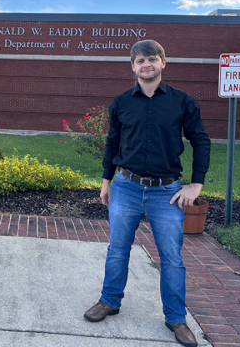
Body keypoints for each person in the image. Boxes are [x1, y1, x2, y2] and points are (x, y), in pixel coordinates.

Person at [84, 40, 211, 347]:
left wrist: (196, 184)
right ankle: (109, 301)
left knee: (171, 258)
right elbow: (112, 144)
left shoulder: (183, 102)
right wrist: (106, 181)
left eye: (152, 59)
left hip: (166, 192)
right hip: (126, 187)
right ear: (133, 66)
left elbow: (201, 140)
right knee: (117, 249)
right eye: (140, 60)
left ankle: (176, 318)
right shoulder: (121, 103)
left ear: (163, 62)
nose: (146, 65)